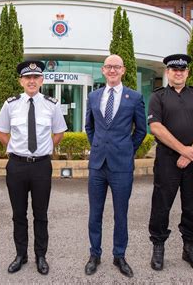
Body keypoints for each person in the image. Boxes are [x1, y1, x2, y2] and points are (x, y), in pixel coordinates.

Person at [0, 60, 67, 275]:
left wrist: (45, 148)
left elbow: (59, 132)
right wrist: (14, 147)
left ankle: (41, 256)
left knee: (41, 214)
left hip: (41, 167)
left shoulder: (52, 104)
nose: (32, 81)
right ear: (21, 81)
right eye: (27, 77)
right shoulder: (11, 104)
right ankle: (20, 255)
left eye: (36, 77)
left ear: (42, 80)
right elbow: (1, 131)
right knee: (18, 213)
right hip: (16, 165)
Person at [147, 54, 193, 272]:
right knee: (161, 205)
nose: (178, 72)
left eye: (182, 69)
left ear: (187, 72)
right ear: (167, 72)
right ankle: (158, 247)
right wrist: (182, 150)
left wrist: (190, 153)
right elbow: (156, 127)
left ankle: (189, 248)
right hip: (167, 161)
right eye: (174, 69)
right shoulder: (158, 97)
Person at [83, 54, 146, 277]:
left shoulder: (135, 97)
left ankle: (119, 256)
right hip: (98, 165)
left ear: (123, 70)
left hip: (121, 166)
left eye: (116, 67)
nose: (112, 70)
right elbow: (89, 127)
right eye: (108, 66)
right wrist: (99, 145)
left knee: (121, 214)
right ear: (103, 70)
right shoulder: (93, 96)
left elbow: (141, 131)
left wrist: (127, 149)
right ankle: (95, 254)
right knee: (95, 213)